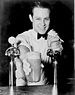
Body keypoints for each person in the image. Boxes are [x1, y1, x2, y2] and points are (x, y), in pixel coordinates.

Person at [14, 1, 63, 86]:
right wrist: (26, 60)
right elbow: (22, 49)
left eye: (46, 19)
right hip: (25, 90)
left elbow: (58, 51)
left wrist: (55, 44)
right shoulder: (24, 36)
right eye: (38, 19)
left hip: (48, 90)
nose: (43, 23)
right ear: (31, 18)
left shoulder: (53, 36)